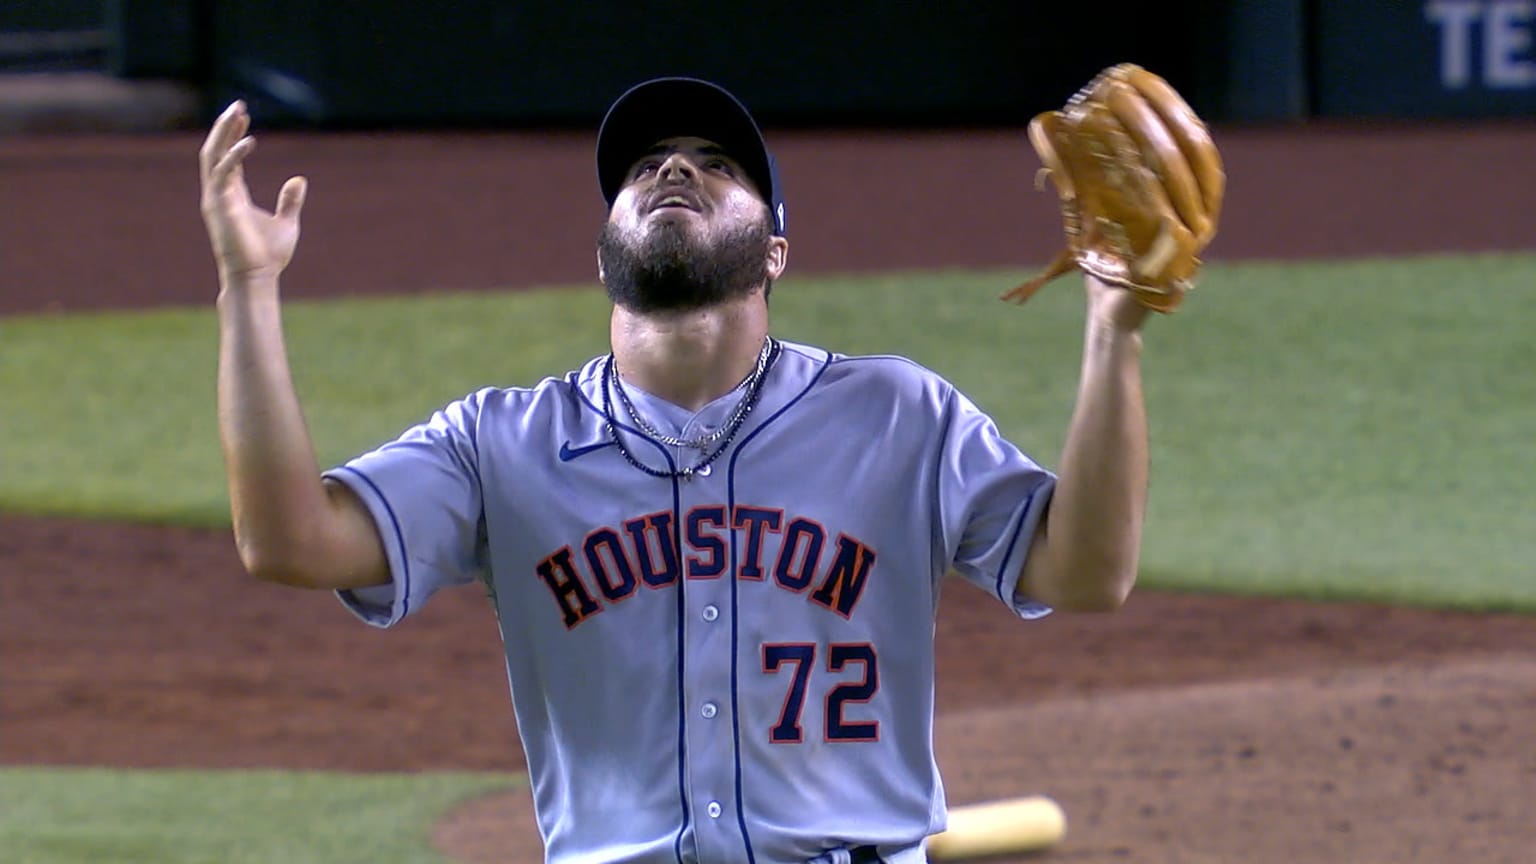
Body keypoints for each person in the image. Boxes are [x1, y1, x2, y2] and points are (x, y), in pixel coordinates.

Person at [197, 77, 1149, 864]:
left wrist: (1114, 334)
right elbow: (291, 542)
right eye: (646, 165)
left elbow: (1085, 572)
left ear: (775, 250)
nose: (675, 169)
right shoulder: (500, 443)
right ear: (603, 254)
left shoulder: (897, 414)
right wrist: (248, 287)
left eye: (718, 164)